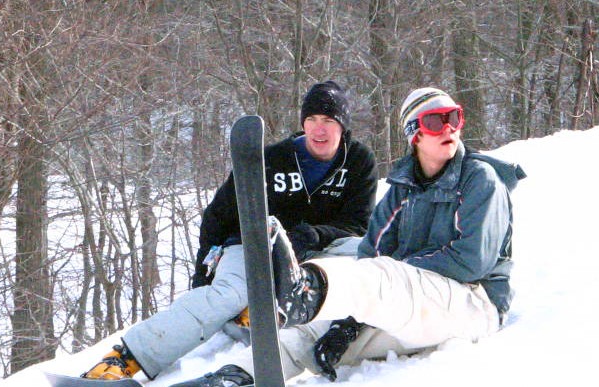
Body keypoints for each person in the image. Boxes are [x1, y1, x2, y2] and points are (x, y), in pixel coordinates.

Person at [169, 87, 526, 386]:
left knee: (381, 274)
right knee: (314, 332)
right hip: (417, 308)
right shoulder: (402, 190)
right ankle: (229, 378)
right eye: (436, 121)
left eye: (454, 117)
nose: (449, 127)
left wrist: (394, 272)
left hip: (473, 305)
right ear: (414, 133)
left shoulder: (480, 180)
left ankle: (306, 288)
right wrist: (351, 322)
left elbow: (470, 262)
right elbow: (372, 250)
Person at [81, 80, 378, 381]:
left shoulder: (358, 162)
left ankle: (336, 326)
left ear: (343, 127)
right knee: (226, 295)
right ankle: (126, 357)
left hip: (316, 251)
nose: (319, 129)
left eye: (329, 121)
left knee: (366, 257)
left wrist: (314, 235)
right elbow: (218, 215)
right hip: (255, 245)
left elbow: (358, 224)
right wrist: (202, 269)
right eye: (312, 120)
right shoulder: (272, 159)